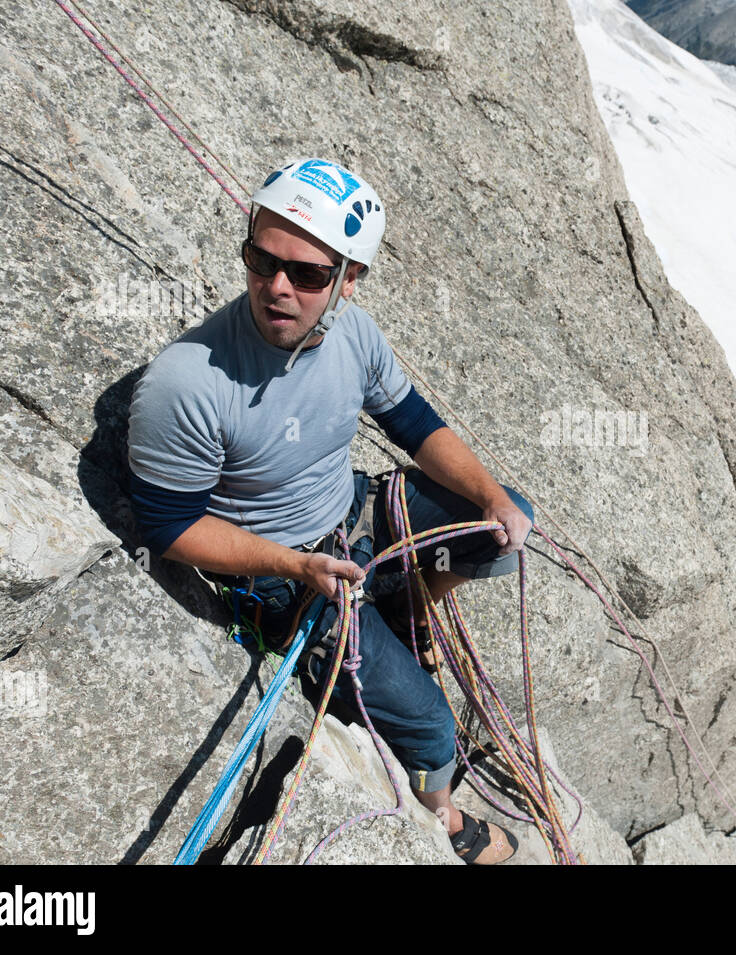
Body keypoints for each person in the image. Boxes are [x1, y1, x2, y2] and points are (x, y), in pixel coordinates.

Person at [127, 157, 530, 864]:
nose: (276, 286)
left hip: (353, 515)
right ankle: (445, 815)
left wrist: (491, 496)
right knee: (434, 726)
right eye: (262, 258)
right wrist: (291, 564)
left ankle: (405, 608)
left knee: (501, 528)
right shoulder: (187, 382)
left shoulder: (353, 335)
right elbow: (168, 526)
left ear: (349, 281)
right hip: (287, 577)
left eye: (308, 273)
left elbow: (411, 421)